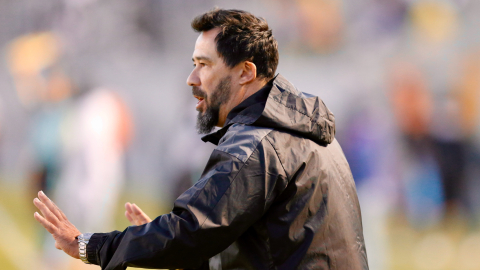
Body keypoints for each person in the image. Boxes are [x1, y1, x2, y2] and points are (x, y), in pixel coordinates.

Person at [33, 8, 369, 270]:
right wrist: (182, 251)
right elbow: (267, 246)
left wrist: (84, 244)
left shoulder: (258, 142)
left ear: (245, 73)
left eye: (205, 65)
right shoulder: (298, 129)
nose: (192, 78)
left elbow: (192, 231)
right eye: (194, 63)